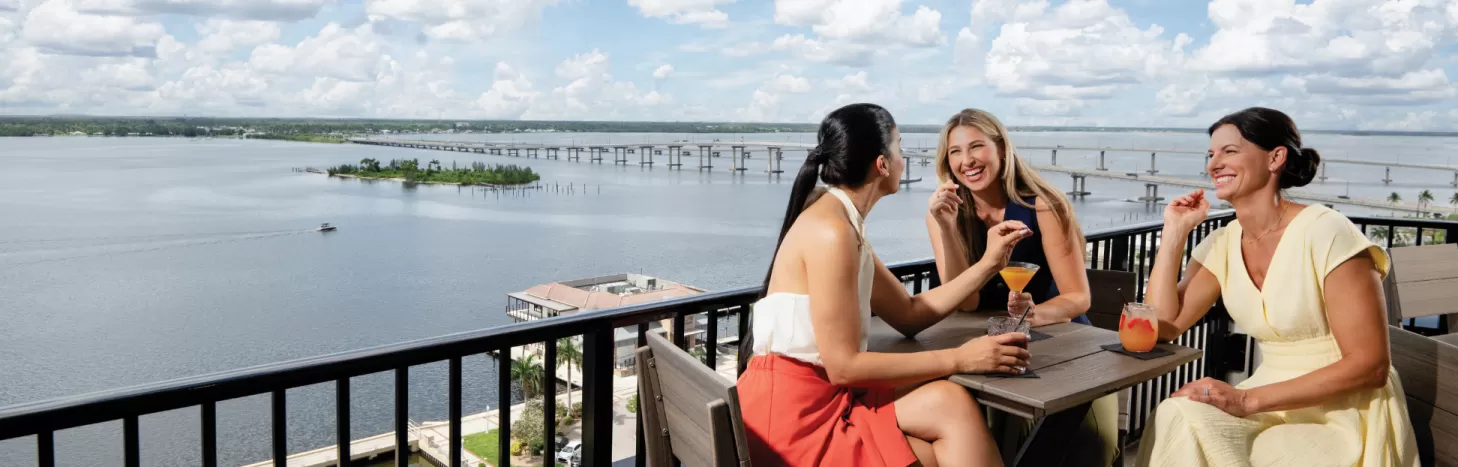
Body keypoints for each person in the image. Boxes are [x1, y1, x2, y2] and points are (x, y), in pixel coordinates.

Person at [736, 103, 1036, 467]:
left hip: (816, 397)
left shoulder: (842, 221)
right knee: (943, 441)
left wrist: (990, 263)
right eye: (899, 148)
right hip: (795, 422)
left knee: (951, 401)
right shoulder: (832, 233)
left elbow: (909, 314)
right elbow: (844, 367)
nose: (903, 160)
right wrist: (962, 357)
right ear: (882, 164)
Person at [1136, 107, 1418, 466]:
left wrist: (1244, 401)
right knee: (1178, 414)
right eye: (1211, 154)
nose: (1213, 164)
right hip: (1266, 403)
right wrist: (1174, 234)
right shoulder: (1223, 242)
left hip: (1344, 409)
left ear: (1276, 158)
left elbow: (1370, 366)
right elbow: (1160, 327)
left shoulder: (1326, 231)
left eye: (1230, 151)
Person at [924, 108, 1117, 466]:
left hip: (1066, 349)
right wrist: (948, 228)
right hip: (987, 352)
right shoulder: (944, 214)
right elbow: (965, 302)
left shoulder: (1043, 205)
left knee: (1090, 443)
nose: (967, 161)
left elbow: (1078, 297)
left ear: (1000, 148)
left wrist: (1032, 313)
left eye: (977, 147)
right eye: (955, 152)